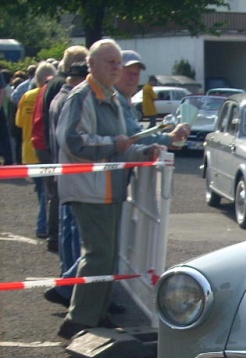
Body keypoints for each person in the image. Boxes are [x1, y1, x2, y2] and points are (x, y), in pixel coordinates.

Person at [55, 39, 163, 340]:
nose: (116, 68)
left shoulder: (113, 98)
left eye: (118, 62)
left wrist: (143, 152)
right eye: (110, 62)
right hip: (90, 188)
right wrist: (116, 145)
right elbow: (73, 141)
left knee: (107, 254)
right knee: (100, 254)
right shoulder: (82, 97)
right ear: (91, 65)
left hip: (108, 188)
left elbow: (124, 143)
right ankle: (79, 320)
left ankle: (94, 314)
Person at [34, 45, 89, 252]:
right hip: (65, 160)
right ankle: (54, 238)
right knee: (66, 213)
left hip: (52, 150)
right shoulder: (67, 92)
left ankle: (53, 238)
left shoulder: (53, 87)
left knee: (56, 200)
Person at [16, 61, 57, 239]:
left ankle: (44, 224)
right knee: (46, 192)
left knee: (41, 189)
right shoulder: (49, 96)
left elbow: (18, 122)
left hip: (28, 150)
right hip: (42, 149)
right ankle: (43, 226)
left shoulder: (27, 96)